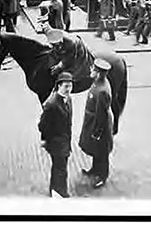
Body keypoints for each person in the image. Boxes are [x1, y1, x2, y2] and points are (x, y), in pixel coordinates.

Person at [79, 58, 114, 189]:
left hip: (99, 124)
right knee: (95, 148)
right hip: (91, 120)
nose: (91, 71)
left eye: (94, 70)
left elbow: (101, 114)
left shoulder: (102, 90)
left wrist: (97, 131)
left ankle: (103, 176)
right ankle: (95, 169)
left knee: (102, 151)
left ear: (99, 73)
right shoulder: (98, 82)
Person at [38, 72, 74, 198]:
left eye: (70, 86)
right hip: (56, 143)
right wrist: (45, 139)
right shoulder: (51, 104)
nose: (69, 89)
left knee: (58, 167)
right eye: (66, 86)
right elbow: (42, 125)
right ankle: (61, 193)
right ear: (59, 86)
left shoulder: (68, 99)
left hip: (65, 141)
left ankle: (54, 190)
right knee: (61, 169)